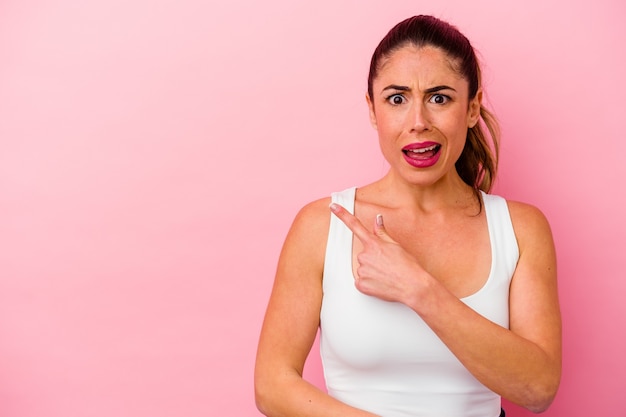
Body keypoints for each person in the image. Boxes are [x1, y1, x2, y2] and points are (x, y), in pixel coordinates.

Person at [254, 15, 561, 417]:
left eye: (440, 98)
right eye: (397, 99)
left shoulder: (521, 229)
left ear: (471, 108)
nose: (418, 122)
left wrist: (419, 289)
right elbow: (271, 384)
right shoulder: (321, 226)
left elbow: (537, 390)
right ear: (372, 109)